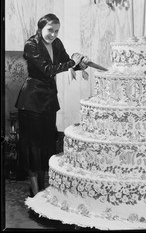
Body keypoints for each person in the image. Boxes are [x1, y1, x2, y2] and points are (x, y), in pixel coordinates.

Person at [15, 13, 89, 197]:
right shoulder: (30, 45)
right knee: (33, 147)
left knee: (45, 144)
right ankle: (35, 190)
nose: (53, 35)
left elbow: (65, 63)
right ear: (40, 28)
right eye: (50, 30)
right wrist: (73, 62)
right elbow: (48, 69)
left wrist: (81, 65)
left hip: (48, 102)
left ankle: (41, 189)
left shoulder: (56, 43)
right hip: (31, 101)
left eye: (56, 31)